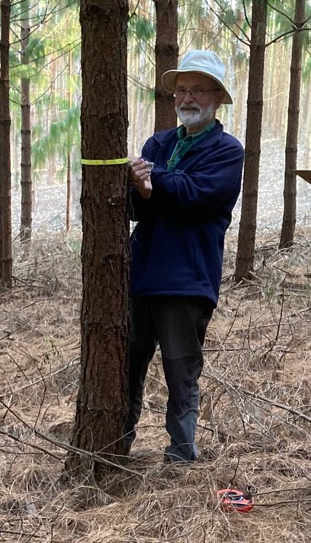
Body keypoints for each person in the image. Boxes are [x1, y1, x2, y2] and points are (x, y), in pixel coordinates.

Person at [124, 49, 244, 463]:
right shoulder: (156, 143)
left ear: (216, 97)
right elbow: (137, 206)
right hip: (141, 275)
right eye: (181, 91)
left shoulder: (227, 152)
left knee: (181, 374)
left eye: (198, 90)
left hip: (187, 281)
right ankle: (114, 449)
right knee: (125, 368)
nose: (188, 99)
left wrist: (152, 181)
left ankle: (180, 457)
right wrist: (142, 190)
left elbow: (196, 196)